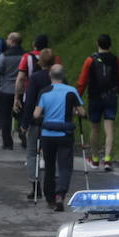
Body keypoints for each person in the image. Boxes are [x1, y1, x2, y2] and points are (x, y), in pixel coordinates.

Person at [33, 64, 85, 212]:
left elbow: (36, 115)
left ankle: (49, 198)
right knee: (64, 166)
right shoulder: (71, 91)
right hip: (65, 135)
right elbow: (81, 112)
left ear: (50, 75)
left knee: (49, 167)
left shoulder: (44, 92)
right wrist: (77, 112)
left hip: (47, 135)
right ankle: (60, 196)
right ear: (63, 76)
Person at [76, 34, 119, 172]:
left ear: (97, 44)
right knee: (109, 128)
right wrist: (117, 92)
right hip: (110, 96)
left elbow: (82, 82)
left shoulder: (90, 61)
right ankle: (108, 159)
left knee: (94, 128)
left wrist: (77, 99)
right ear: (110, 45)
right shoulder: (116, 60)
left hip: (95, 97)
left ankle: (95, 158)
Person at [20, 49, 55, 201]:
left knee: (32, 152)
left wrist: (24, 123)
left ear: (40, 61)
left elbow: (29, 101)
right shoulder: (58, 78)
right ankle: (52, 185)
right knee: (50, 154)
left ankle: (35, 186)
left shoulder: (35, 78)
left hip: (37, 120)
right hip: (54, 120)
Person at [0, 32, 24, 150]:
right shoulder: (25, 56)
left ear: (12, 41)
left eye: (7, 39)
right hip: (21, 91)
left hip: (6, 90)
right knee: (21, 115)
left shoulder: (4, 56)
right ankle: (23, 133)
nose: (6, 41)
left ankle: (7, 142)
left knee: (5, 117)